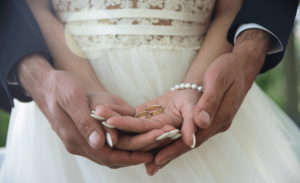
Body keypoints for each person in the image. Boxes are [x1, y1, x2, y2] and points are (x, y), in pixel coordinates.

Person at [0, 0, 300, 183]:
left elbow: (229, 7)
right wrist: (88, 87)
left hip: (205, 75)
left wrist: (193, 86)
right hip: (67, 81)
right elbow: (33, 5)